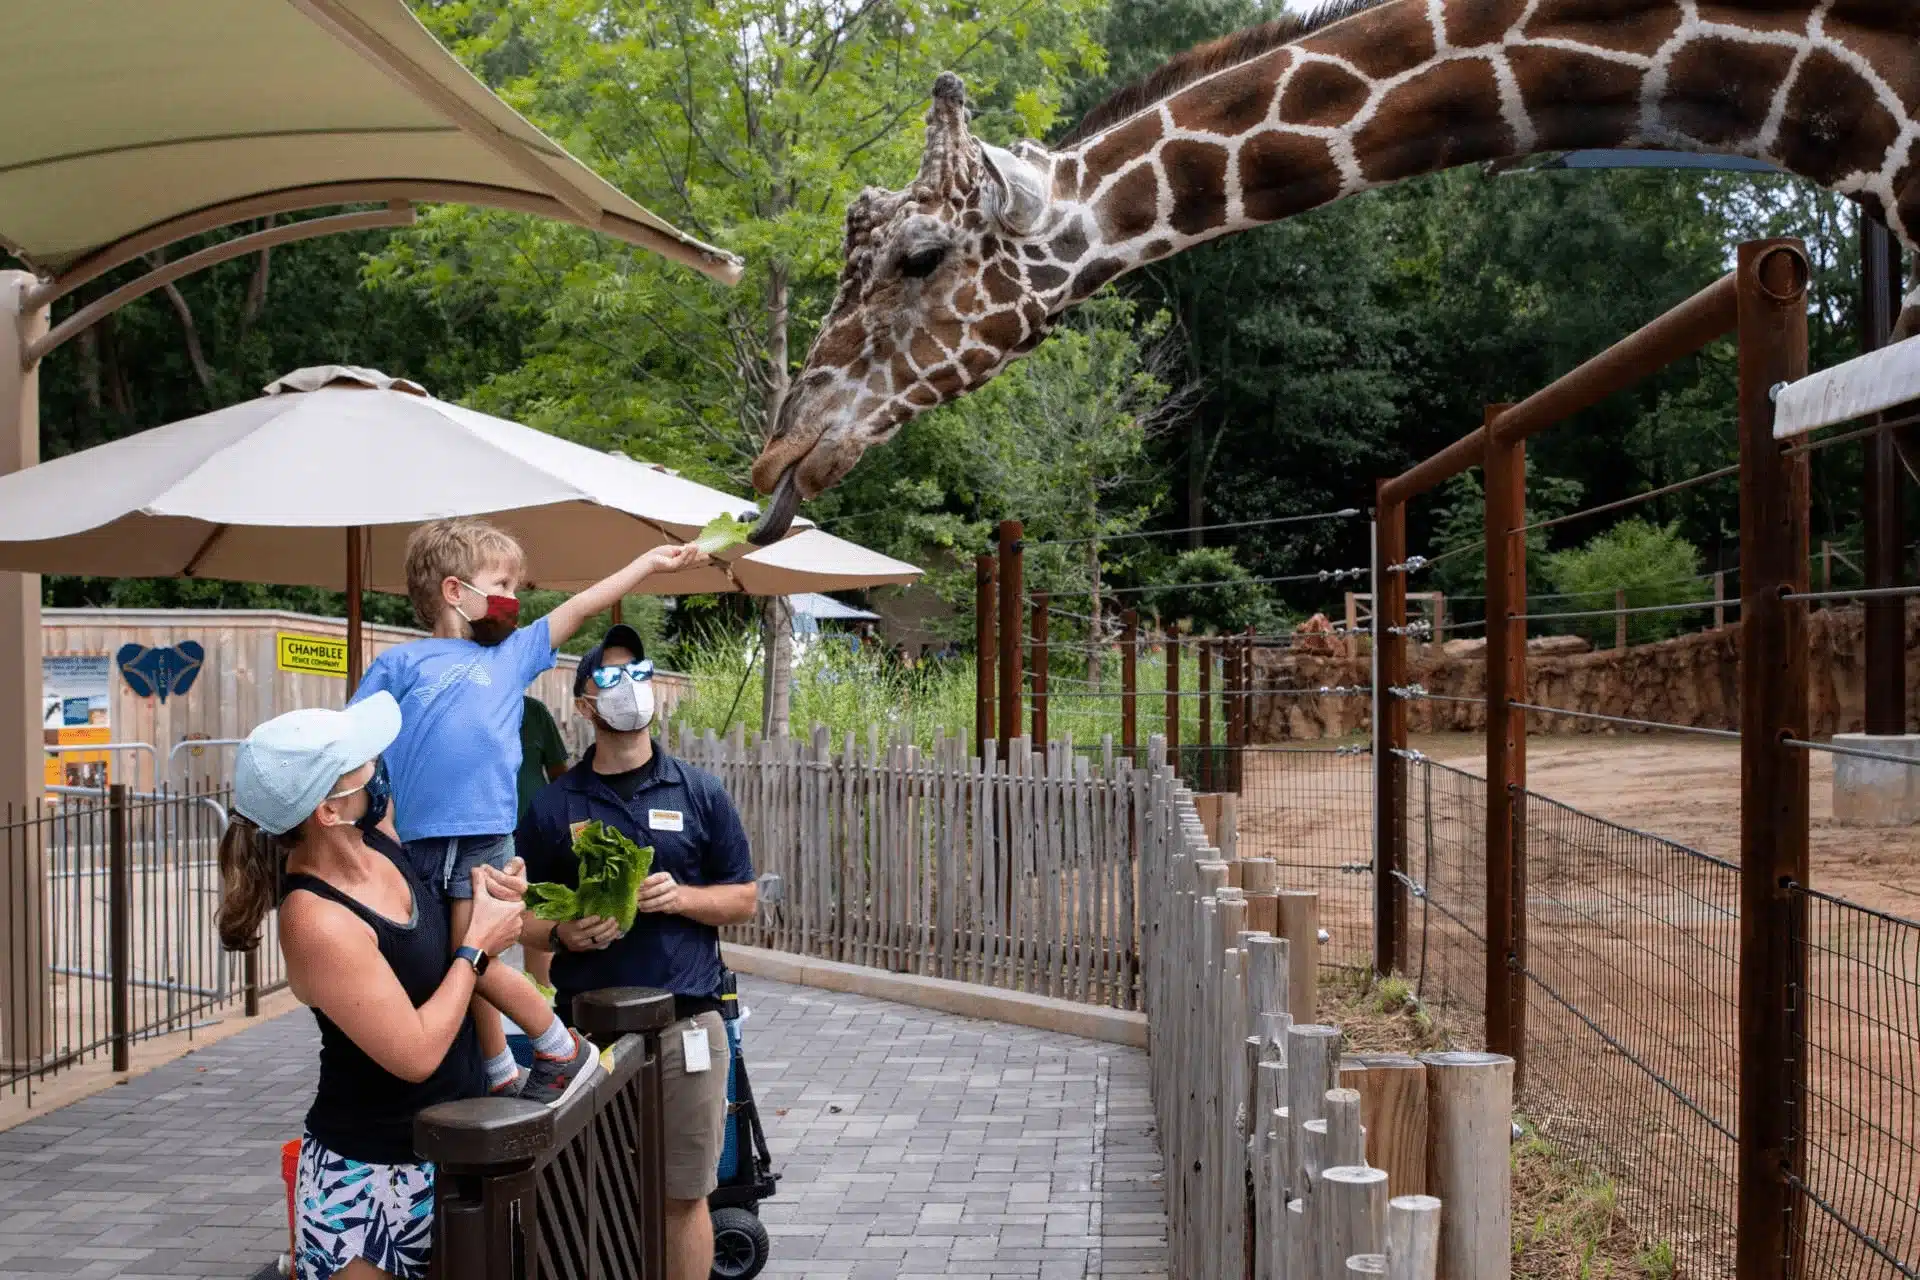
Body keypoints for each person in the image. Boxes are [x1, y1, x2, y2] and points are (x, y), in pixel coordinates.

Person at [351, 518, 706, 1101]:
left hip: (485, 839)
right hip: (412, 842)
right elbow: (356, 746)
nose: (516, 599)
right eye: (503, 584)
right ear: (454, 591)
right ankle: (498, 1071)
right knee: (448, 965)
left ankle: (561, 1048)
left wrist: (647, 565)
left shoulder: (513, 655)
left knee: (477, 958)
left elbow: (584, 604)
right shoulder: (400, 666)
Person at [216, 693, 526, 1280]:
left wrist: (487, 901)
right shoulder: (315, 920)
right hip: (369, 1179)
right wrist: (477, 948)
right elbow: (414, 1052)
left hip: (453, 1147)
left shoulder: (376, 836)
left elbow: (438, 958)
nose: (378, 767)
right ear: (327, 811)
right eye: (362, 763)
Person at [516, 625, 757, 1280]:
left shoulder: (698, 791)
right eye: (612, 677)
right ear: (587, 706)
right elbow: (523, 918)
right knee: (591, 1193)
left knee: (685, 1193)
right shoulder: (553, 806)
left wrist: (681, 898)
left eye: (639, 672)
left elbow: (743, 899)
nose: (632, 688)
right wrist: (563, 933)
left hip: (687, 1025)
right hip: (589, 1035)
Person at [517, 694, 571, 993]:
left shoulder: (534, 712)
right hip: (481, 837)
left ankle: (542, 1007)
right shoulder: (467, 704)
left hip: (534, 837)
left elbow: (560, 775)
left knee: (540, 917)